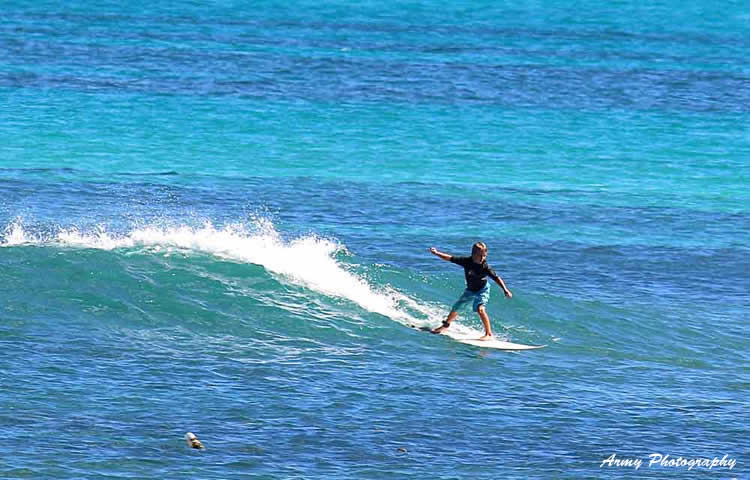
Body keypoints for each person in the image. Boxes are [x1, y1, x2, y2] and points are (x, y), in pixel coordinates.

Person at [429, 242, 512, 340]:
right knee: (456, 308)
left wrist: (505, 290)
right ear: (473, 255)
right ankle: (445, 326)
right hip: (470, 290)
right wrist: (436, 253)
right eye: (480, 256)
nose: (482, 258)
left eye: (484, 256)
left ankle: (488, 334)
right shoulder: (466, 261)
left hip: (482, 290)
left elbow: (496, 278)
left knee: (480, 309)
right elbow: (450, 258)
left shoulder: (485, 267)